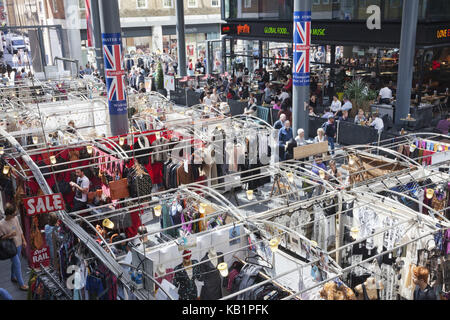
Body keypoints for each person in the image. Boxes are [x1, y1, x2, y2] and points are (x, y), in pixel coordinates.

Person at [0, 203, 28, 291]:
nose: (15, 215)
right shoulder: (1, 224)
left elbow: (19, 229)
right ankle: (21, 284)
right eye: (13, 214)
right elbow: (1, 238)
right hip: (10, 247)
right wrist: (9, 235)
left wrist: (24, 240)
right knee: (17, 264)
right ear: (9, 214)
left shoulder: (15, 218)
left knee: (16, 262)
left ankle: (13, 276)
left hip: (19, 243)